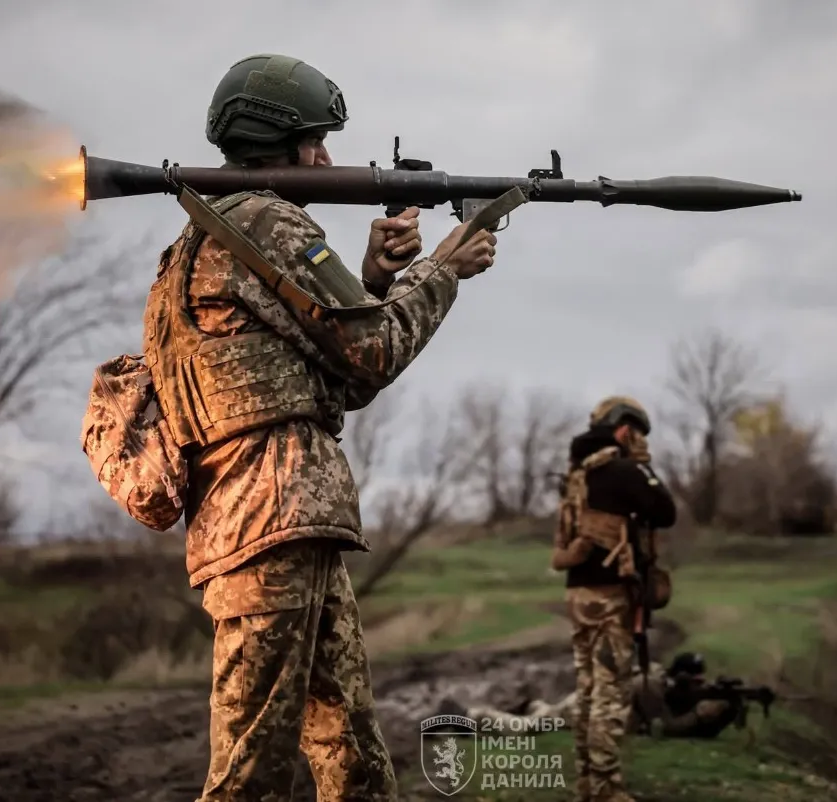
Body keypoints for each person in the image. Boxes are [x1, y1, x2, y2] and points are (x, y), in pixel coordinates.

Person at [143, 54, 500, 802]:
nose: (330, 160)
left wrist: (374, 281)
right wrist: (443, 270)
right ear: (283, 143)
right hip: (271, 522)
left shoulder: (198, 241)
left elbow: (328, 376)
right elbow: (372, 354)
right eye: (317, 142)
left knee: (353, 756)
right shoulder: (269, 223)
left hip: (273, 525)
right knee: (249, 775)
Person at [549, 396, 678, 802]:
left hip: (578, 593)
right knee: (611, 693)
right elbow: (666, 510)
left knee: (588, 690)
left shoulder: (577, 474)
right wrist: (643, 466)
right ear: (625, 430)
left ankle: (587, 784)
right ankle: (606, 792)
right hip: (610, 597)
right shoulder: (624, 471)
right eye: (637, 434)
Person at [443, 652, 740, 740]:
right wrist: (700, 715)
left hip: (594, 707)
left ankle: (534, 704)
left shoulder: (665, 682)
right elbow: (664, 728)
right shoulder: (651, 686)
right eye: (694, 680)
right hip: (585, 712)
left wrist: (722, 713)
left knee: (541, 717)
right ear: (681, 676)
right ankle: (460, 715)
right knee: (526, 729)